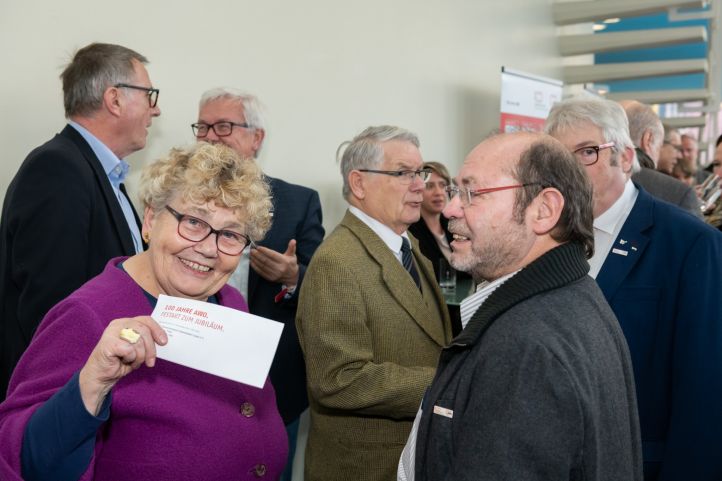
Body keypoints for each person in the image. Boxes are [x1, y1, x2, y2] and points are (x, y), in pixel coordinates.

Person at [0, 143, 287, 481]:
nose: (209, 249)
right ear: (150, 220)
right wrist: (91, 386)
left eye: (230, 234)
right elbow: (24, 458)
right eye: (194, 222)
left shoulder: (229, 301)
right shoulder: (86, 315)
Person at [402, 132, 642, 480]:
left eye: (472, 193)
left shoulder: (526, 345)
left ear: (544, 210)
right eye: (456, 191)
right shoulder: (573, 298)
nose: (451, 207)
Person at [546, 97, 722, 480]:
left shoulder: (688, 243)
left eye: (588, 152)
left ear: (625, 158)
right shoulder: (542, 237)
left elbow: (704, 387)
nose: (569, 171)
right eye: (560, 158)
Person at [0, 42, 161, 401]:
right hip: (63, 391)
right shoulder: (58, 169)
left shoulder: (100, 174)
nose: (157, 109)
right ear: (114, 99)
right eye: (149, 94)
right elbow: (51, 307)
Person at [296, 125, 452, 481]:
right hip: (366, 467)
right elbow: (338, 378)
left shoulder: (407, 247)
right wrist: (445, 383)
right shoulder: (338, 262)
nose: (419, 185)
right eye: (402, 173)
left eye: (420, 172)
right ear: (359, 183)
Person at [193, 87, 324, 475]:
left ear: (256, 138)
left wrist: (293, 276)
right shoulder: (181, 200)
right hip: (193, 365)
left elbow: (323, 287)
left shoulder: (299, 202)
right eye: (202, 126)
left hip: (272, 379)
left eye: (223, 126)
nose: (210, 136)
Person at [619, 100, 701, 217]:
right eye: (660, 143)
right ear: (647, 139)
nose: (679, 155)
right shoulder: (679, 194)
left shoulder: (592, 180)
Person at [408, 162, 471, 283]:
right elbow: (431, 274)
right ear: (418, 190)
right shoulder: (411, 230)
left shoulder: (454, 223)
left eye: (442, 185)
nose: (438, 192)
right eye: (430, 186)